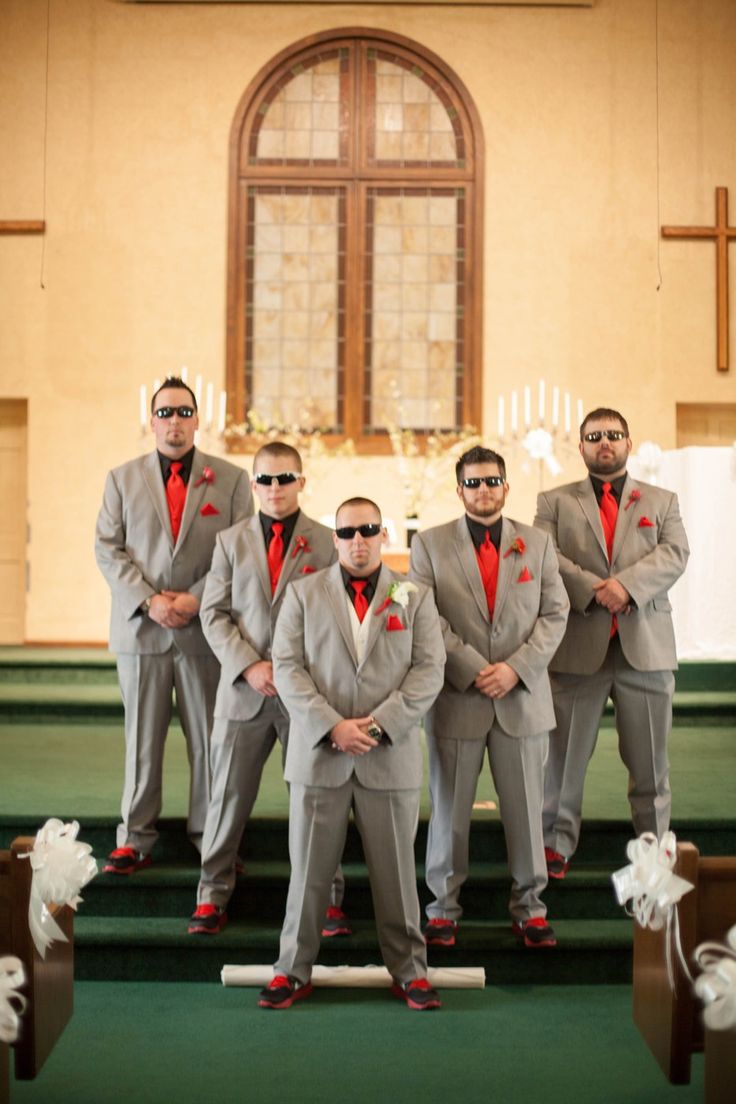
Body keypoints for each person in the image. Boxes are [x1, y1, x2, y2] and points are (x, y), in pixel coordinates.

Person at [259, 498, 445, 1011]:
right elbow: (288, 667)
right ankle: (291, 971)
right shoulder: (302, 594)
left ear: (384, 534)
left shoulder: (415, 597)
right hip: (321, 755)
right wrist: (332, 726)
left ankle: (410, 970)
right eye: (347, 532)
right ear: (334, 538)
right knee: (308, 875)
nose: (358, 540)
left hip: (390, 755)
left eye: (368, 530)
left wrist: (382, 724)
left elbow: (430, 669)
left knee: (398, 876)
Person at [409, 446, 569, 949]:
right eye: (473, 483)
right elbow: (425, 616)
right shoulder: (430, 545)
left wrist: (516, 670)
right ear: (459, 491)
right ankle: (442, 908)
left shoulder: (538, 543)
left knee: (525, 811)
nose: (484, 490)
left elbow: (555, 614)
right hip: (459, 697)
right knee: (450, 810)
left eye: (492, 481)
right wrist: (477, 669)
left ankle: (530, 907)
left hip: (521, 699)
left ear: (506, 486)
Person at [95, 376, 253, 873]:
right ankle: (135, 836)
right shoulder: (122, 478)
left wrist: (194, 599)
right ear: (152, 421)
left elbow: (240, 550)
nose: (174, 422)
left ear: (197, 419)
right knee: (142, 737)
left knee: (209, 739)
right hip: (142, 630)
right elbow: (107, 548)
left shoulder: (230, 480)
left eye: (184, 412)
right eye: (165, 413)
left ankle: (209, 834)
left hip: (203, 629)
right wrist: (148, 601)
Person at [188, 442, 340, 935]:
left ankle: (328, 901)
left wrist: (294, 672)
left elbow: (337, 616)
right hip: (244, 691)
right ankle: (211, 894)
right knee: (227, 798)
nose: (275, 488)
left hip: (306, 696)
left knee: (315, 801)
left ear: (302, 481)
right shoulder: (230, 541)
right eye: (266, 480)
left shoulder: (326, 541)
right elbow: (213, 613)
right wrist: (250, 665)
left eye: (285, 478)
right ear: (253, 486)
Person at [534, 407, 689, 879]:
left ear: (628, 443)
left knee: (650, 764)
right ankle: (556, 843)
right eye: (595, 436)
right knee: (562, 759)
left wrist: (627, 587)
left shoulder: (661, 500)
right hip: (580, 644)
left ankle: (653, 852)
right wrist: (595, 589)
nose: (605, 442)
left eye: (614, 435)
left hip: (644, 646)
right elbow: (546, 556)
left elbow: (675, 553)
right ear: (580, 447)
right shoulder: (554, 501)